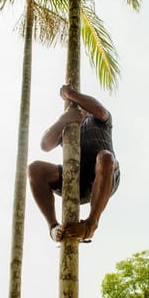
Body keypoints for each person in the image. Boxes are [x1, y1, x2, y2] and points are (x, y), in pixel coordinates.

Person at [28, 84, 120, 243]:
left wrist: (70, 94)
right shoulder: (66, 128)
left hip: (104, 176)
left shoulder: (99, 119)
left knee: (105, 157)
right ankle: (53, 227)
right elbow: (45, 145)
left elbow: (101, 111)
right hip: (75, 179)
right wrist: (64, 119)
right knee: (35, 169)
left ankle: (91, 225)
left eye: (82, 106)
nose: (79, 109)